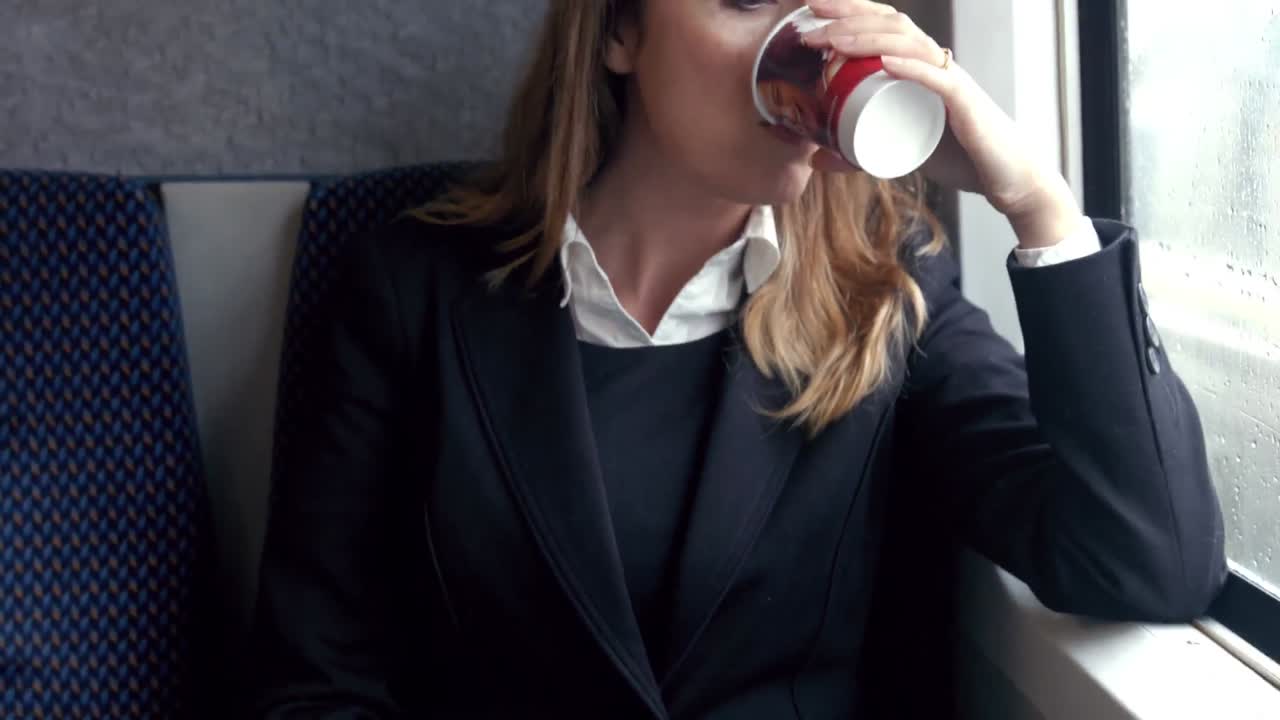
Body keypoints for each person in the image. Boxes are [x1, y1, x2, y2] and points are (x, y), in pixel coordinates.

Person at [246, 1, 1228, 718]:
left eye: (821, 10)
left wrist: (1035, 204)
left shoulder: (884, 290)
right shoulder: (410, 290)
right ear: (620, 33)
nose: (795, 47)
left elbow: (1141, 561)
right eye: (748, 2)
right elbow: (317, 679)